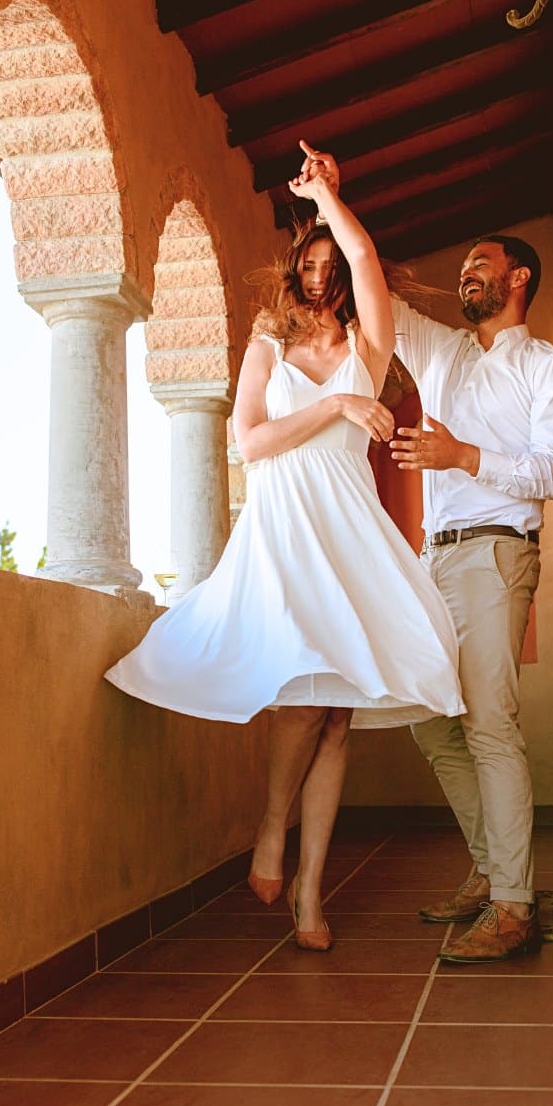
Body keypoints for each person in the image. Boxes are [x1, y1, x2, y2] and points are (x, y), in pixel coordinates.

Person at [105, 141, 464, 952]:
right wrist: (337, 411)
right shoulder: (267, 341)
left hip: (347, 526)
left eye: (329, 263)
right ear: (292, 272)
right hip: (284, 525)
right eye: (308, 260)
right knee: (304, 698)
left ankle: (308, 893)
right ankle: (273, 833)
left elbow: (366, 254)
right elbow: (252, 443)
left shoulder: (370, 349)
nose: (319, 272)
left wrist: (333, 199)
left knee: (336, 718)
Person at [297, 146, 553, 961]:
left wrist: (465, 459)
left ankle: (514, 906)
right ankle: (492, 868)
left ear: (519, 278)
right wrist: (328, 200)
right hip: (436, 559)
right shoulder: (445, 353)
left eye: (480, 265)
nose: (465, 274)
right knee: (429, 719)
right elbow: (371, 290)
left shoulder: (549, 369)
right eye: (463, 266)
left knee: (490, 723)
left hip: (498, 556)